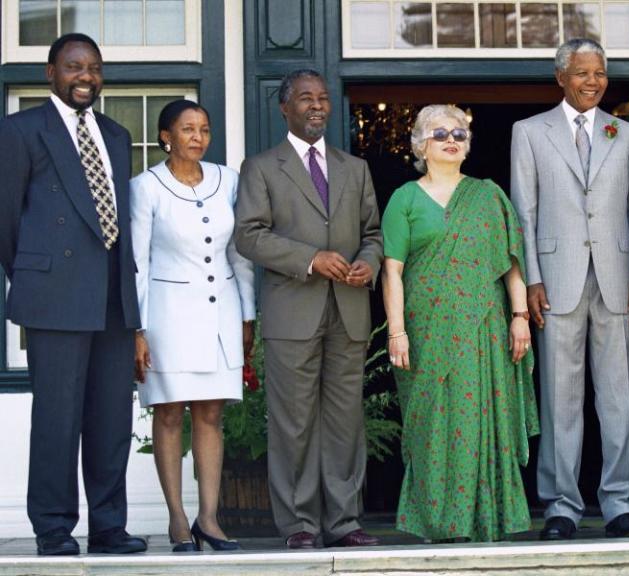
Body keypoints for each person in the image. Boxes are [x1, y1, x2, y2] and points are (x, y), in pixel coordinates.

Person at [0, 33, 147, 556]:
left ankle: (109, 527)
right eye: (74, 67)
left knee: (110, 421)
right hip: (55, 296)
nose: (86, 77)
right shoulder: (20, 131)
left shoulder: (115, 133)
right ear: (50, 73)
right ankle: (54, 529)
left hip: (112, 296)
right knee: (57, 421)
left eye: (94, 68)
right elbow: (6, 222)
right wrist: (39, 277)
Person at [234, 69, 383, 549]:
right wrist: (310, 259)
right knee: (293, 423)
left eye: (322, 98)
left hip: (350, 309)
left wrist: (367, 263)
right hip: (292, 311)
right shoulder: (260, 167)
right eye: (305, 99)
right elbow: (249, 235)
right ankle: (299, 524)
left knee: (344, 421)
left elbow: (374, 235)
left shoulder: (354, 168)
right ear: (285, 108)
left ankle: (344, 522)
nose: (317, 105)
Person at [510, 38, 629, 540]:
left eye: (601, 74)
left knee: (619, 397)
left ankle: (621, 501)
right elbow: (524, 210)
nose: (594, 82)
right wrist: (532, 279)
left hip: (616, 278)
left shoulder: (627, 134)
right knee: (560, 399)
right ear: (561, 78)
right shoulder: (528, 132)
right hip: (556, 279)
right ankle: (561, 506)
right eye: (583, 73)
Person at [382, 105, 539, 542]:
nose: (451, 139)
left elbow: (511, 264)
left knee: (481, 415)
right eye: (440, 133)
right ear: (420, 144)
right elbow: (391, 270)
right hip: (426, 326)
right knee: (433, 418)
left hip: (485, 325)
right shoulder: (405, 199)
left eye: (459, 133)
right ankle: (437, 520)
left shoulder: (488, 196)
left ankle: (487, 516)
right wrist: (397, 331)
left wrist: (520, 317)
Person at [130, 100, 255, 552]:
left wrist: (247, 314)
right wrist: (137, 329)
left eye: (204, 129)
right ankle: (177, 520)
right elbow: (137, 262)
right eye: (187, 129)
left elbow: (239, 253)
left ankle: (209, 518)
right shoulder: (146, 186)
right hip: (166, 314)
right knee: (168, 412)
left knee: (211, 413)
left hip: (220, 310)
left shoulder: (228, 180)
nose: (198, 137)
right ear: (167, 135)